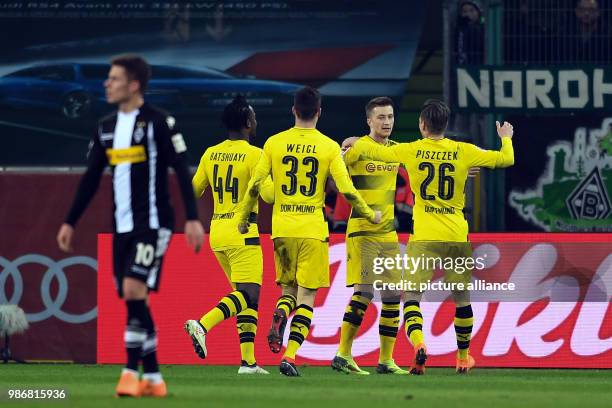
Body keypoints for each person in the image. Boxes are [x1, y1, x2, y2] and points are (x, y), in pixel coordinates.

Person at [56, 54, 204, 397]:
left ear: (134, 84)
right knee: (135, 300)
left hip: (153, 225)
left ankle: (128, 373)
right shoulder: (105, 127)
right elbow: (91, 179)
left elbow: (181, 170)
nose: (107, 84)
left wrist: (193, 218)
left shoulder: (158, 123)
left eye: (114, 79)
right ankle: (153, 377)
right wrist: (69, 222)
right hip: (120, 227)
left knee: (136, 291)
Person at [342, 99, 514, 374]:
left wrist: (353, 141)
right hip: (457, 236)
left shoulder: (412, 151)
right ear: (446, 125)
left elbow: (373, 150)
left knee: (411, 297)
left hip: (423, 237)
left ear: (422, 125)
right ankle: (462, 357)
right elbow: (506, 159)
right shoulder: (464, 151)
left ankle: (419, 344)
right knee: (462, 298)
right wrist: (505, 139)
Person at [237, 86, 381, 376]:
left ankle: (280, 313)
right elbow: (346, 190)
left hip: (282, 230)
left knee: (288, 291)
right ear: (319, 112)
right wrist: (369, 213)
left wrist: (243, 218)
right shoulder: (328, 146)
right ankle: (289, 355)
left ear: (293, 110)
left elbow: (255, 185)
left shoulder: (274, 143)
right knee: (307, 298)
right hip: (313, 230)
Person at [184, 95, 273, 375]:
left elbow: (194, 190)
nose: (256, 121)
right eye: (254, 117)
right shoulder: (256, 155)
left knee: (245, 296)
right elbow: (270, 195)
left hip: (218, 231)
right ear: (247, 123)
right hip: (243, 231)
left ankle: (248, 362)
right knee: (249, 294)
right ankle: (203, 324)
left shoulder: (211, 153)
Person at [331, 97, 408, 375]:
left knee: (391, 296)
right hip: (362, 231)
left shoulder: (398, 150)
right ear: (369, 121)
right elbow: (335, 167)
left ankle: (386, 360)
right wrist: (344, 146)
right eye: (381, 117)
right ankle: (343, 354)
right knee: (363, 293)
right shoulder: (359, 148)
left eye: (390, 117)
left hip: (388, 233)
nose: (386, 122)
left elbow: (426, 159)